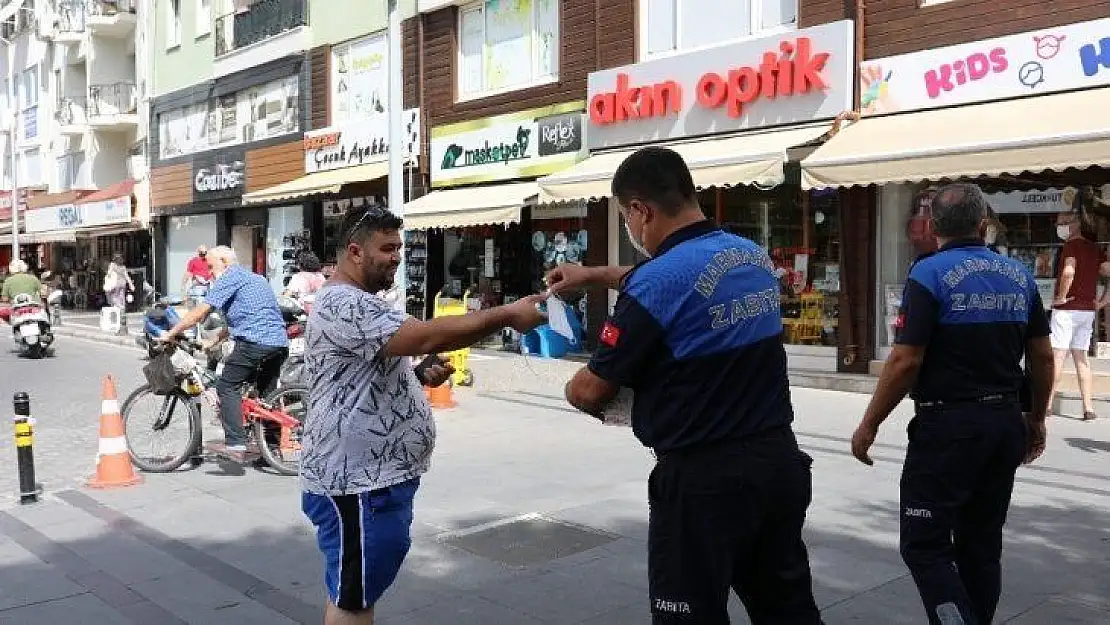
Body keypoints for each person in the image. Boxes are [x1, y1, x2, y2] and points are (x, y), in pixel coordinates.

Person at [551, 147, 823, 625]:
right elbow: (674, 278)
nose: (631, 229)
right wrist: (592, 274)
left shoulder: (658, 282)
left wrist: (570, 387)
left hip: (705, 481)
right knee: (787, 610)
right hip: (777, 463)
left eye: (626, 217)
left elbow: (592, 390)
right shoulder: (750, 256)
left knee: (687, 615)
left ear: (640, 210)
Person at [300, 206, 548, 625]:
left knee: (359, 591)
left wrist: (414, 375)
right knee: (352, 600)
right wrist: (506, 315)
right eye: (388, 248)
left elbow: (364, 374)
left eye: (400, 246)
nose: (397, 256)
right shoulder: (343, 302)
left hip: (374, 481)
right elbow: (427, 334)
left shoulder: (361, 302)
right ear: (356, 252)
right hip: (358, 483)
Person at [850, 184, 1055, 625]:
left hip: (948, 429)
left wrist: (869, 424)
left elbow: (906, 360)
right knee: (981, 545)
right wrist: (1036, 418)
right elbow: (1042, 355)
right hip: (1003, 422)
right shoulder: (1018, 275)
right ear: (984, 225)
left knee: (924, 544)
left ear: (932, 227)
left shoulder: (929, 274)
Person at [162, 246, 289, 463]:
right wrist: (213, 341)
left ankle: (236, 443)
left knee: (226, 386)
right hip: (278, 343)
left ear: (225, 262)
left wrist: (171, 333)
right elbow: (245, 316)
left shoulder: (229, 278)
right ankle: (272, 449)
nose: (209, 272)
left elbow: (200, 312)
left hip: (254, 343)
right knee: (265, 397)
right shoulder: (255, 279)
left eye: (211, 266)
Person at [1048, 210, 1110, 421]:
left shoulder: (1071, 246)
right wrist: (1102, 301)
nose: (1059, 226)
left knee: (1058, 357)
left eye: (1062, 222)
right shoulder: (1094, 249)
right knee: (1082, 358)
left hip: (1067, 310)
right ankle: (1088, 407)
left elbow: (1068, 272)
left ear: (1074, 224)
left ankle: (1047, 405)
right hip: (1087, 311)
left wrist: (1061, 297)